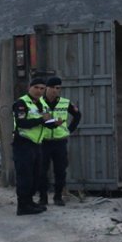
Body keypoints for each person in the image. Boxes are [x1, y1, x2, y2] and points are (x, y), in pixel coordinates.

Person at [11, 78, 58, 216]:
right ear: (30, 88)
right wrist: (41, 120)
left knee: (35, 175)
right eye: (36, 87)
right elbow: (21, 123)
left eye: (42, 88)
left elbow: (44, 122)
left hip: (37, 144)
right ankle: (22, 206)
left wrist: (53, 123)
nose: (39, 91)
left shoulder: (41, 104)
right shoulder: (21, 103)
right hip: (23, 143)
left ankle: (30, 202)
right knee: (24, 176)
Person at [38, 76, 81, 206]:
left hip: (59, 142)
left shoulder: (65, 102)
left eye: (59, 88)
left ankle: (58, 197)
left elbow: (77, 115)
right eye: (54, 88)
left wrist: (69, 130)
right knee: (41, 171)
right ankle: (43, 197)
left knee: (60, 171)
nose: (56, 91)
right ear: (47, 88)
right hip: (43, 142)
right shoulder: (38, 102)